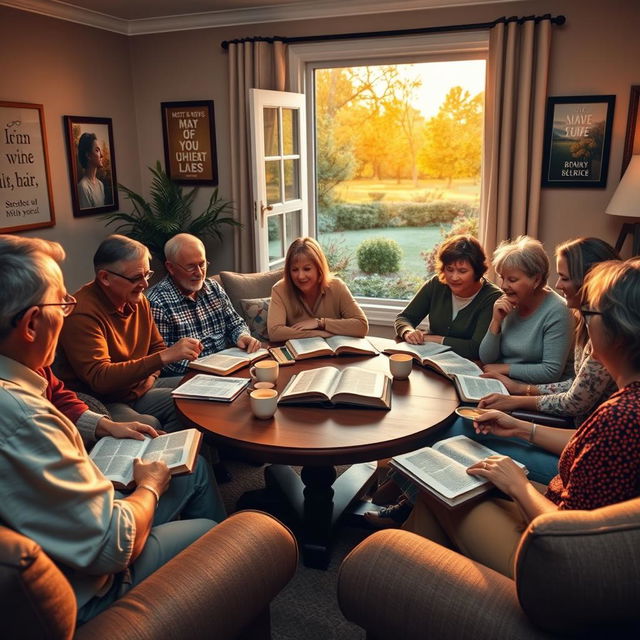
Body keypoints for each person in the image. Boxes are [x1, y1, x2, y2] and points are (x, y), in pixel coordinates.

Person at [0, 235, 224, 623]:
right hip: (93, 587)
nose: (66, 311)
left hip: (74, 529)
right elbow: (112, 545)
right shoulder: (24, 419)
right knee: (214, 531)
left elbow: (55, 388)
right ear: (32, 323)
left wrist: (103, 426)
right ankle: (222, 582)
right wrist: (150, 485)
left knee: (196, 469)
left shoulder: (23, 369)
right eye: (60, 302)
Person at [403, 258, 640, 578]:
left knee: (439, 490)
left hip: (558, 565)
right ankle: (417, 577)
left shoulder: (622, 418)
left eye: (589, 313)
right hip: (564, 514)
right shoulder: (625, 405)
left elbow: (569, 538)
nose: (582, 323)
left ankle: (407, 574)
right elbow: (593, 445)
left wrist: (518, 485)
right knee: (448, 484)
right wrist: (520, 428)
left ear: (622, 330)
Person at [56, 234, 203, 432]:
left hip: (141, 388)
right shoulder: (81, 313)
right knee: (149, 425)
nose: (145, 284)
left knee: (201, 395)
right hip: (105, 400)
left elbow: (156, 346)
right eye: (136, 278)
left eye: (147, 274)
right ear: (105, 278)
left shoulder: (137, 299)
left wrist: (150, 376)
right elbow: (100, 378)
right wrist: (163, 358)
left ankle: (199, 461)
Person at [480, 237, 619, 425]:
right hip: (577, 423)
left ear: (590, 281)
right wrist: (520, 389)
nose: (558, 285)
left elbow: (574, 401)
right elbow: (577, 386)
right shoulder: (586, 320)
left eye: (565, 278)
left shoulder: (604, 331)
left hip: (587, 428)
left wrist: (518, 395)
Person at [147, 233, 261, 377]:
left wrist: (242, 336)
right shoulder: (157, 303)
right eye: (191, 267)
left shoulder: (213, 287)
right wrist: (206, 366)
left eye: (202, 264)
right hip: (191, 375)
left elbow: (235, 323)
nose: (199, 273)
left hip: (227, 366)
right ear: (170, 267)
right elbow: (163, 360)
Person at [479, 235, 573, 384]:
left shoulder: (558, 311)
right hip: (501, 382)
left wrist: (505, 368)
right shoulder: (508, 301)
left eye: (512, 280)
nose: (503, 286)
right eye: (502, 278)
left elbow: (551, 372)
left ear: (536, 280)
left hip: (535, 392)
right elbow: (486, 358)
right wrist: (496, 322)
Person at [395, 235, 502, 360]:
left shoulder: (492, 297)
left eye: (462, 271)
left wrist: (432, 338)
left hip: (469, 366)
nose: (454, 277)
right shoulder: (437, 284)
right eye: (449, 269)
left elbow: (475, 348)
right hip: (430, 361)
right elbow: (404, 318)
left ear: (477, 271)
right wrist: (408, 332)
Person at [268, 237, 368, 342]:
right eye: (294, 270)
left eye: (307, 269)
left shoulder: (337, 286)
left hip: (334, 355)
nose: (301, 276)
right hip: (298, 356)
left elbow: (362, 326)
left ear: (319, 268)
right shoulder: (279, 290)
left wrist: (321, 323)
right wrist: (319, 334)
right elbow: (275, 333)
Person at [77, 132, 107, 209]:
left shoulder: (100, 185)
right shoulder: (83, 187)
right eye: (97, 150)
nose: (101, 155)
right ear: (88, 155)